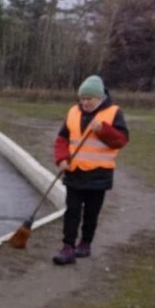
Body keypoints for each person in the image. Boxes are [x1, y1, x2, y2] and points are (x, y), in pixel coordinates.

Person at [51, 74, 129, 265]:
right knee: (72, 211)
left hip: (99, 174)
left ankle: (85, 243)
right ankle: (67, 247)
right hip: (74, 172)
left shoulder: (113, 113)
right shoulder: (72, 112)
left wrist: (103, 130)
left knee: (91, 213)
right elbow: (62, 139)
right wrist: (61, 158)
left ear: (99, 98)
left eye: (89, 99)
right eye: (82, 99)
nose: (85, 103)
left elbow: (121, 140)